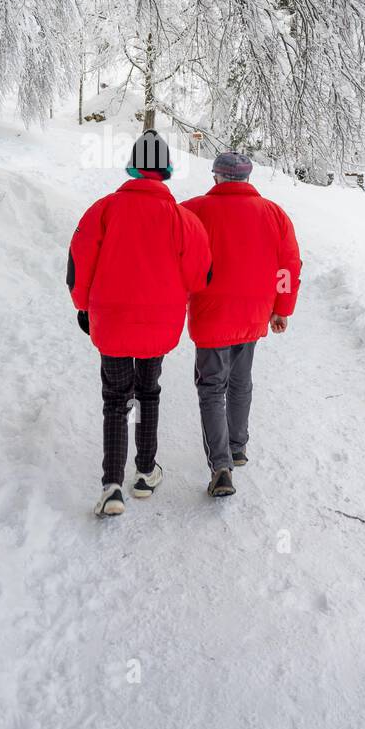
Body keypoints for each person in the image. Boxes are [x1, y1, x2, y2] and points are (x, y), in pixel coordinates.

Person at [67, 130, 212, 517]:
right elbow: (200, 275)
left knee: (115, 400)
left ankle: (112, 485)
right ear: (165, 169)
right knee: (148, 392)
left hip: (111, 321)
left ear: (133, 166)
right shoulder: (184, 220)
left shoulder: (103, 210)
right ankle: (145, 472)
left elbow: (79, 261)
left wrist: (83, 304)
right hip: (158, 324)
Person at [181, 151, 301, 497]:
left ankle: (221, 467)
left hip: (211, 312)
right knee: (240, 379)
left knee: (211, 388)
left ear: (216, 177)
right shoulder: (274, 214)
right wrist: (281, 308)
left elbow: (177, 255)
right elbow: (287, 267)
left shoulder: (193, 210)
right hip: (253, 312)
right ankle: (237, 446)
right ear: (248, 179)